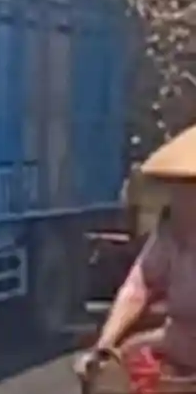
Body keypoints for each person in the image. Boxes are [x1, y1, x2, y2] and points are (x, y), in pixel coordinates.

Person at [76, 143, 196, 394]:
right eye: (176, 187)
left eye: (188, 187)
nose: (178, 197)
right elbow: (138, 285)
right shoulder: (169, 233)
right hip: (177, 345)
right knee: (113, 365)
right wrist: (105, 346)